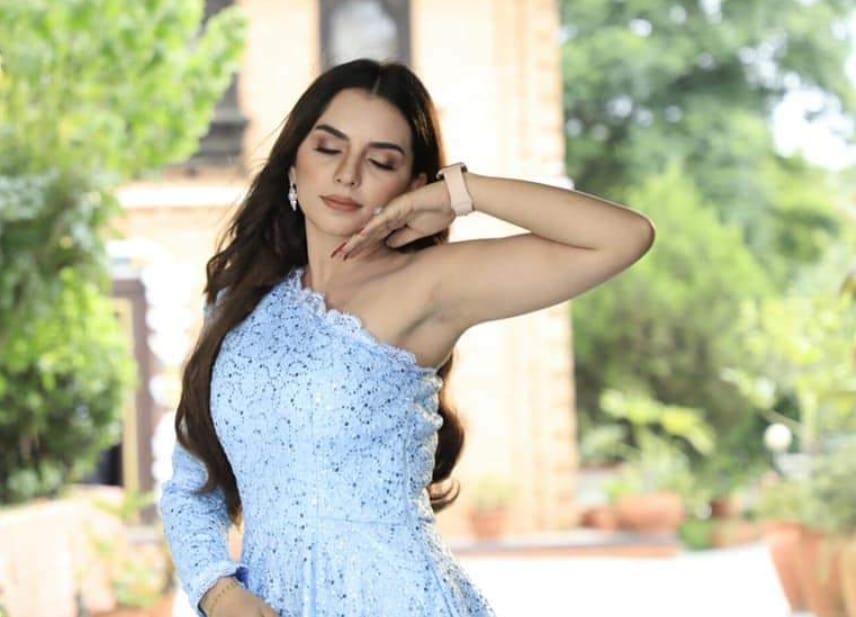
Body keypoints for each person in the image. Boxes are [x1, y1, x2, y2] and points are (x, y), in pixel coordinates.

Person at [157, 58, 655, 617]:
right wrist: (219, 592)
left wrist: (458, 193)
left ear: (413, 184)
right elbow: (191, 486)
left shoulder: (429, 286)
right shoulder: (238, 301)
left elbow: (623, 237)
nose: (348, 175)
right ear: (293, 163)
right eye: (329, 148)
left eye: (381, 161)